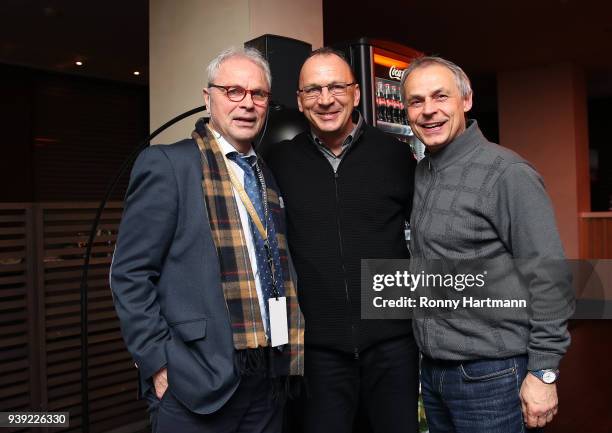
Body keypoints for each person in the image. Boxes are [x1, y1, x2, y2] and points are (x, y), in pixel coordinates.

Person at [109, 47, 304, 433]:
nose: (246, 103)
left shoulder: (265, 173)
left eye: (258, 94)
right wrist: (159, 364)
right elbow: (129, 274)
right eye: (233, 91)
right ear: (207, 97)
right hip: (196, 380)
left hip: (268, 376)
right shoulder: (168, 164)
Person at [401, 56, 574, 432]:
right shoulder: (424, 171)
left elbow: (550, 275)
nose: (428, 110)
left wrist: (544, 372)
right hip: (434, 373)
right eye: (416, 101)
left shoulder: (507, 173)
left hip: (492, 375)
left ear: (465, 100)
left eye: (440, 97)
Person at [261, 47, 419, 433]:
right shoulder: (277, 162)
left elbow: (430, 239)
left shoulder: (396, 157)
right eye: (313, 90)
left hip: (393, 345)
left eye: (336, 87)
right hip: (318, 352)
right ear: (300, 101)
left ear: (356, 94)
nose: (326, 99)